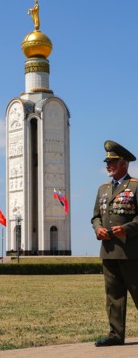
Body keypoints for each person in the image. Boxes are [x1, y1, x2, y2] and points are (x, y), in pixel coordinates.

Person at [91, 140, 138, 347]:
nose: (108, 165)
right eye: (107, 162)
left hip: (131, 251)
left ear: (124, 163)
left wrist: (126, 229)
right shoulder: (102, 189)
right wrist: (98, 229)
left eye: (113, 161)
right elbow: (95, 217)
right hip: (108, 251)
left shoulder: (135, 186)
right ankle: (115, 335)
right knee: (113, 296)